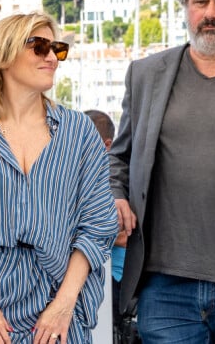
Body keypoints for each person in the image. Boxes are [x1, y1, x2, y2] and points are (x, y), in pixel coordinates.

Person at [0, 12, 118, 344]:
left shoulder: (79, 132)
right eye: (39, 46)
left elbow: (98, 224)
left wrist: (63, 305)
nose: (51, 57)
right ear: (2, 56)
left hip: (58, 304)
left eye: (57, 48)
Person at [109, 0, 215, 342]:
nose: (210, 13)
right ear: (185, 7)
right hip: (164, 287)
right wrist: (116, 196)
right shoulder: (146, 75)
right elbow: (118, 159)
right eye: (200, 1)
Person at [84, 110, 139, 344]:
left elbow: (126, 234)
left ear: (107, 145)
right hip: (99, 277)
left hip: (120, 279)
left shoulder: (119, 180)